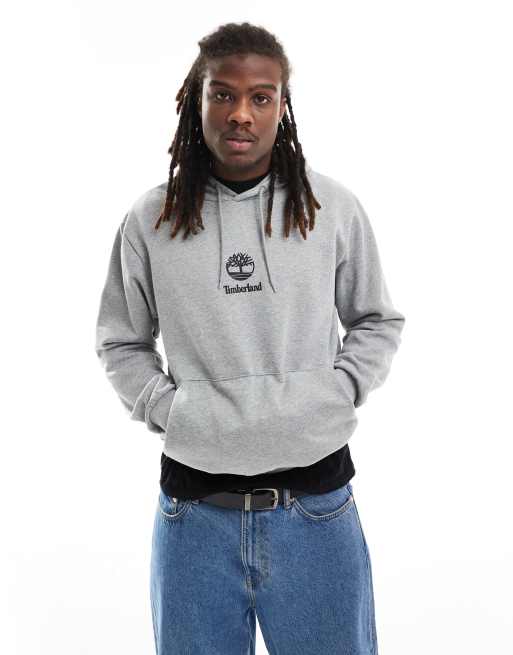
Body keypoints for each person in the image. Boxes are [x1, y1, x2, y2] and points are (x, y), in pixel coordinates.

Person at [95, 21, 405, 655]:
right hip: (194, 519)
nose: (241, 113)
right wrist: (172, 410)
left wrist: (335, 391)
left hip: (316, 512)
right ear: (197, 100)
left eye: (261, 97)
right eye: (223, 94)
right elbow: (121, 342)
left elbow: (376, 320)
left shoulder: (330, 208)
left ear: (282, 106)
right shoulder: (151, 220)